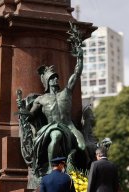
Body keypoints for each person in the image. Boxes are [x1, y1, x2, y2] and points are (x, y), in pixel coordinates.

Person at [19, 41, 86, 176]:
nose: (55, 80)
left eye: (56, 78)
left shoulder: (66, 92)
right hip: (52, 126)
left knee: (83, 146)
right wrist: (22, 109)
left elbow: (76, 74)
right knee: (56, 137)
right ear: (47, 82)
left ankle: (75, 167)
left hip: (69, 126)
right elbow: (31, 115)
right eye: (52, 78)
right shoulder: (41, 99)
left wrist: (80, 57)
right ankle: (51, 169)